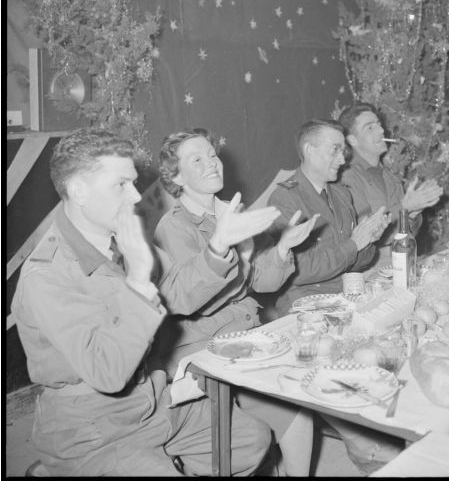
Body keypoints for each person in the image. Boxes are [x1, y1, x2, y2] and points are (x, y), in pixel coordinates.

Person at [10, 128, 273, 477]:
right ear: (78, 191)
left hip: (151, 402)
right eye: (121, 184)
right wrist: (136, 282)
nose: (135, 196)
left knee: (249, 439)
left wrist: (218, 246)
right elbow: (107, 372)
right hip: (92, 428)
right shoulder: (46, 275)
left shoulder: (122, 238)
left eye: (133, 182)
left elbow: (178, 291)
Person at [154, 128, 319, 476]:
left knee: (300, 409)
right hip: (201, 349)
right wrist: (232, 247)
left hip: (245, 337)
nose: (211, 163)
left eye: (211, 155)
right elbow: (200, 304)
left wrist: (283, 248)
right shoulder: (173, 228)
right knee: (260, 427)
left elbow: (263, 281)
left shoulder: (229, 213)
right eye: (196, 159)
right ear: (176, 176)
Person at [267, 119, 401, 473]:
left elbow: (360, 260)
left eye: (343, 148)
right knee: (345, 364)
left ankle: (380, 430)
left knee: (391, 344)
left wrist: (368, 240)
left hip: (345, 296)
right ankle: (364, 444)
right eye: (335, 149)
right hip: (303, 306)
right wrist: (354, 244)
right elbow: (300, 269)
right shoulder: (285, 197)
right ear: (309, 150)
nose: (343, 157)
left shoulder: (340, 192)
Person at [338, 103, 443, 269]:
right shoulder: (347, 178)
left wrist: (414, 212)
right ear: (352, 139)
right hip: (369, 271)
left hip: (400, 264)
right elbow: (363, 235)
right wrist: (405, 207)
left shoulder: (388, 175)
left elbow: (404, 235)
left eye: (379, 124)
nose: (381, 130)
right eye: (370, 128)